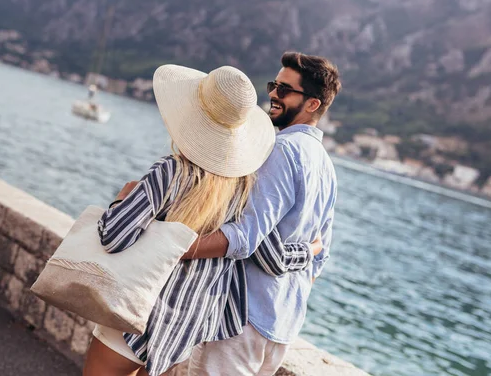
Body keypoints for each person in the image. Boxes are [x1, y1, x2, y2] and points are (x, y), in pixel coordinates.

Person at [83, 64, 316, 376]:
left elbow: (113, 236)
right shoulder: (248, 189)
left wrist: (123, 198)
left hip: (135, 312)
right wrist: (310, 250)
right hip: (184, 328)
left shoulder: (170, 173)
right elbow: (267, 251)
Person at [175, 52, 342, 375]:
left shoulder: (282, 150)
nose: (273, 95)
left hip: (242, 318)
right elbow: (320, 256)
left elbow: (245, 237)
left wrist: (176, 248)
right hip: (282, 326)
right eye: (274, 85)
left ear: (313, 105)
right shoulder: (326, 166)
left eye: (285, 90)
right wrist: (293, 259)